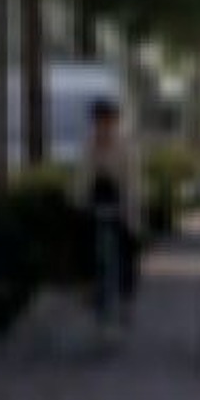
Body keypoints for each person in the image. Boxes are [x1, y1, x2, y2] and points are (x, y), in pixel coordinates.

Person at [83, 98, 141, 333]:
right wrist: (78, 201)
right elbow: (82, 177)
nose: (103, 125)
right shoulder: (89, 144)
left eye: (107, 120)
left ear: (115, 121)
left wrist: (130, 208)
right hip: (96, 201)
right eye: (99, 120)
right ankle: (91, 291)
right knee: (89, 248)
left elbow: (133, 181)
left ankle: (126, 300)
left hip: (121, 202)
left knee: (126, 251)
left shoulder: (126, 145)